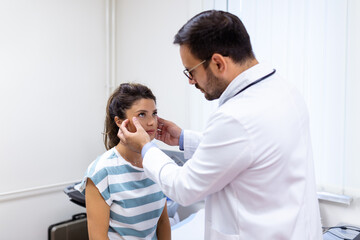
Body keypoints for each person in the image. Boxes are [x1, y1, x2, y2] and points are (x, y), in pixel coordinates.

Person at [118, 10, 322, 240]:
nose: (190, 80)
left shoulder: (236, 116)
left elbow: (184, 188)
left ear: (217, 63)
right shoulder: (284, 91)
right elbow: (249, 148)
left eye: (191, 71)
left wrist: (146, 148)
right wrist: (184, 138)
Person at [76, 83, 171, 240]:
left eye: (154, 113)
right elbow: (97, 237)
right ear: (120, 121)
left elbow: (162, 222)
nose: (152, 122)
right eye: (142, 114)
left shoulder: (157, 163)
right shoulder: (101, 172)